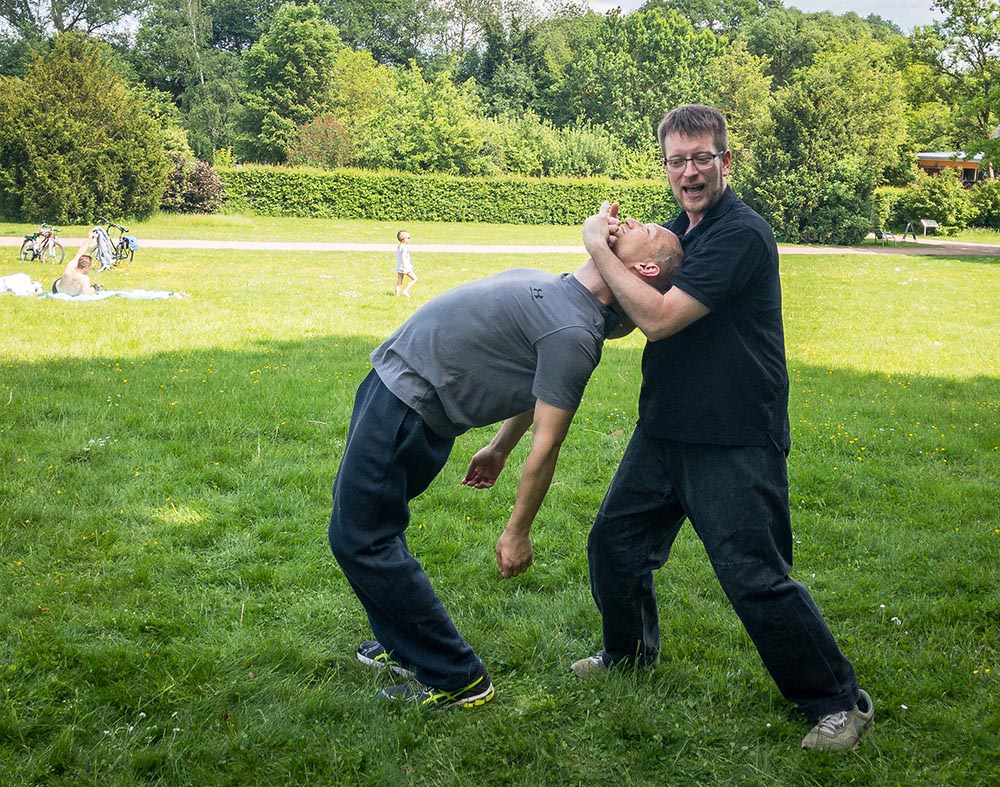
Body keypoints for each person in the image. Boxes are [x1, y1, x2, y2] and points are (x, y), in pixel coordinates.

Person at [572, 104, 873, 752]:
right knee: (615, 545)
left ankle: (839, 702)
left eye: (701, 157)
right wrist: (620, 256)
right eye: (676, 160)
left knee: (753, 574)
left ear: (725, 161)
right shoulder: (677, 230)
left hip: (734, 434)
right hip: (667, 428)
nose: (689, 171)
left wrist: (598, 243)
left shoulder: (740, 233)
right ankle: (628, 656)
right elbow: (629, 308)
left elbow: (656, 318)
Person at [329, 214, 682, 710]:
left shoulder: (575, 334)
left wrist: (517, 531)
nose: (638, 220)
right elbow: (530, 382)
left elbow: (548, 441)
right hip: (393, 392)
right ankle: (402, 646)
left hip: (406, 411)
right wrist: (498, 446)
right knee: (369, 530)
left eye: (648, 230)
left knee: (360, 538)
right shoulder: (570, 298)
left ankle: (457, 677)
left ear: (644, 268)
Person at [52, 231, 100, 296]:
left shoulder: (70, 266)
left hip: (56, 290)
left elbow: (80, 252)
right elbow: (87, 293)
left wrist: (89, 238)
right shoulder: (84, 279)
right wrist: (94, 288)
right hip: (71, 294)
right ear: (86, 267)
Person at [394, 229, 417, 297]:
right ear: (404, 239)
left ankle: (396, 296)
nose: (409, 239)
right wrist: (406, 267)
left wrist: (409, 264)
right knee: (414, 279)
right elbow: (403, 257)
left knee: (399, 283)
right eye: (408, 238)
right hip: (405, 267)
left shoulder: (399, 246)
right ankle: (405, 291)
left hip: (399, 267)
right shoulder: (405, 247)